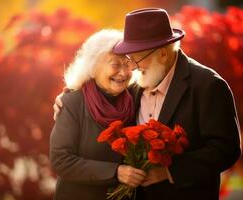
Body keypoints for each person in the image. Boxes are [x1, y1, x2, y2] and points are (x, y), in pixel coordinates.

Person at [53, 8, 241, 200]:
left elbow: (226, 149)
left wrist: (169, 172)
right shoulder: (137, 83)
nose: (131, 67)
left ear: (162, 55)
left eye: (136, 59)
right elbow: (97, 88)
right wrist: (68, 96)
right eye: (129, 59)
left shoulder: (208, 85)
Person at [49, 29, 147, 200]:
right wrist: (115, 172)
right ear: (92, 69)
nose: (123, 73)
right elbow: (61, 161)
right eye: (115, 64)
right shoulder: (73, 103)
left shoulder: (137, 97)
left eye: (127, 64)